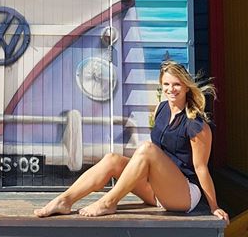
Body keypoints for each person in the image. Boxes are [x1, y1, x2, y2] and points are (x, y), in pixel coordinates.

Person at [34, 61, 229, 223]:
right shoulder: (162, 109)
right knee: (112, 159)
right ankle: (64, 201)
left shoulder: (196, 125)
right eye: (166, 84)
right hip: (157, 190)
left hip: (184, 195)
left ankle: (108, 202)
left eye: (176, 84)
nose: (171, 89)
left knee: (146, 149)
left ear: (186, 86)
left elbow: (201, 168)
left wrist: (214, 207)